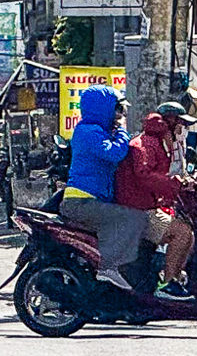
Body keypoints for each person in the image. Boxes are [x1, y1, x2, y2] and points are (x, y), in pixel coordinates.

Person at [60, 85, 143, 290]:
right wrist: (123, 131)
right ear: (103, 108)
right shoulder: (88, 131)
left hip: (93, 199)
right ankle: (108, 267)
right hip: (82, 201)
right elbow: (114, 153)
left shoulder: (100, 131)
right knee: (131, 218)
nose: (120, 115)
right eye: (117, 110)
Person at [116, 101, 197, 299]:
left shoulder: (160, 143)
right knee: (182, 233)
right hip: (137, 211)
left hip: (148, 206)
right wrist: (175, 184)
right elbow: (144, 175)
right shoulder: (144, 145)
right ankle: (166, 285)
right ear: (169, 121)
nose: (183, 129)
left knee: (188, 234)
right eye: (181, 123)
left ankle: (174, 277)